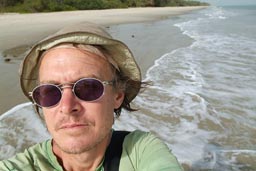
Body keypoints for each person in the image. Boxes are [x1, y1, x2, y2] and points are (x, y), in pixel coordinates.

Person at [0, 22, 183, 171]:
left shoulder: (141, 151)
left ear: (117, 96)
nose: (66, 106)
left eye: (88, 87)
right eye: (50, 92)